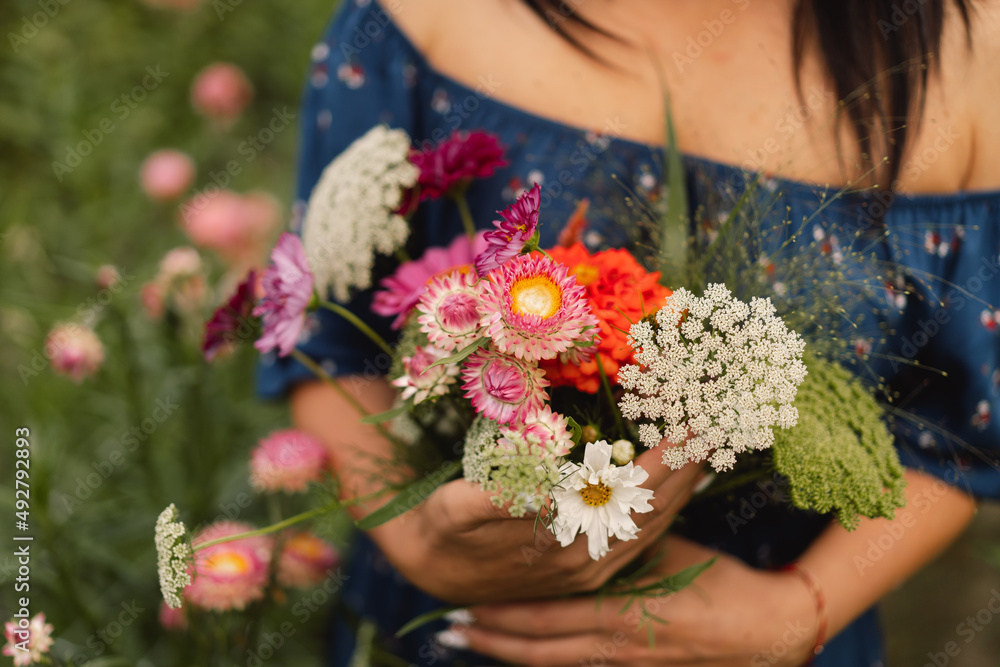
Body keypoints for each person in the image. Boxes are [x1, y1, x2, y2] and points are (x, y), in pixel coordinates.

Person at [258, 0, 999, 664]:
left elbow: (963, 432)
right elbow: (327, 340)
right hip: (450, 624)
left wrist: (799, 609)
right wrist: (414, 535)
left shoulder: (968, 52)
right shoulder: (415, 20)